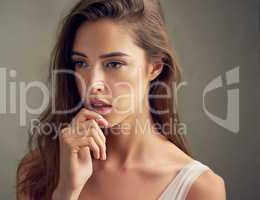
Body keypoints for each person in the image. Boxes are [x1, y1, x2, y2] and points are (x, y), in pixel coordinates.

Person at [16, 0, 226, 199]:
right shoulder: (37, 172)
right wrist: (66, 192)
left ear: (155, 67)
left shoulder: (200, 189)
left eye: (114, 64)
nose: (93, 83)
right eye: (81, 63)